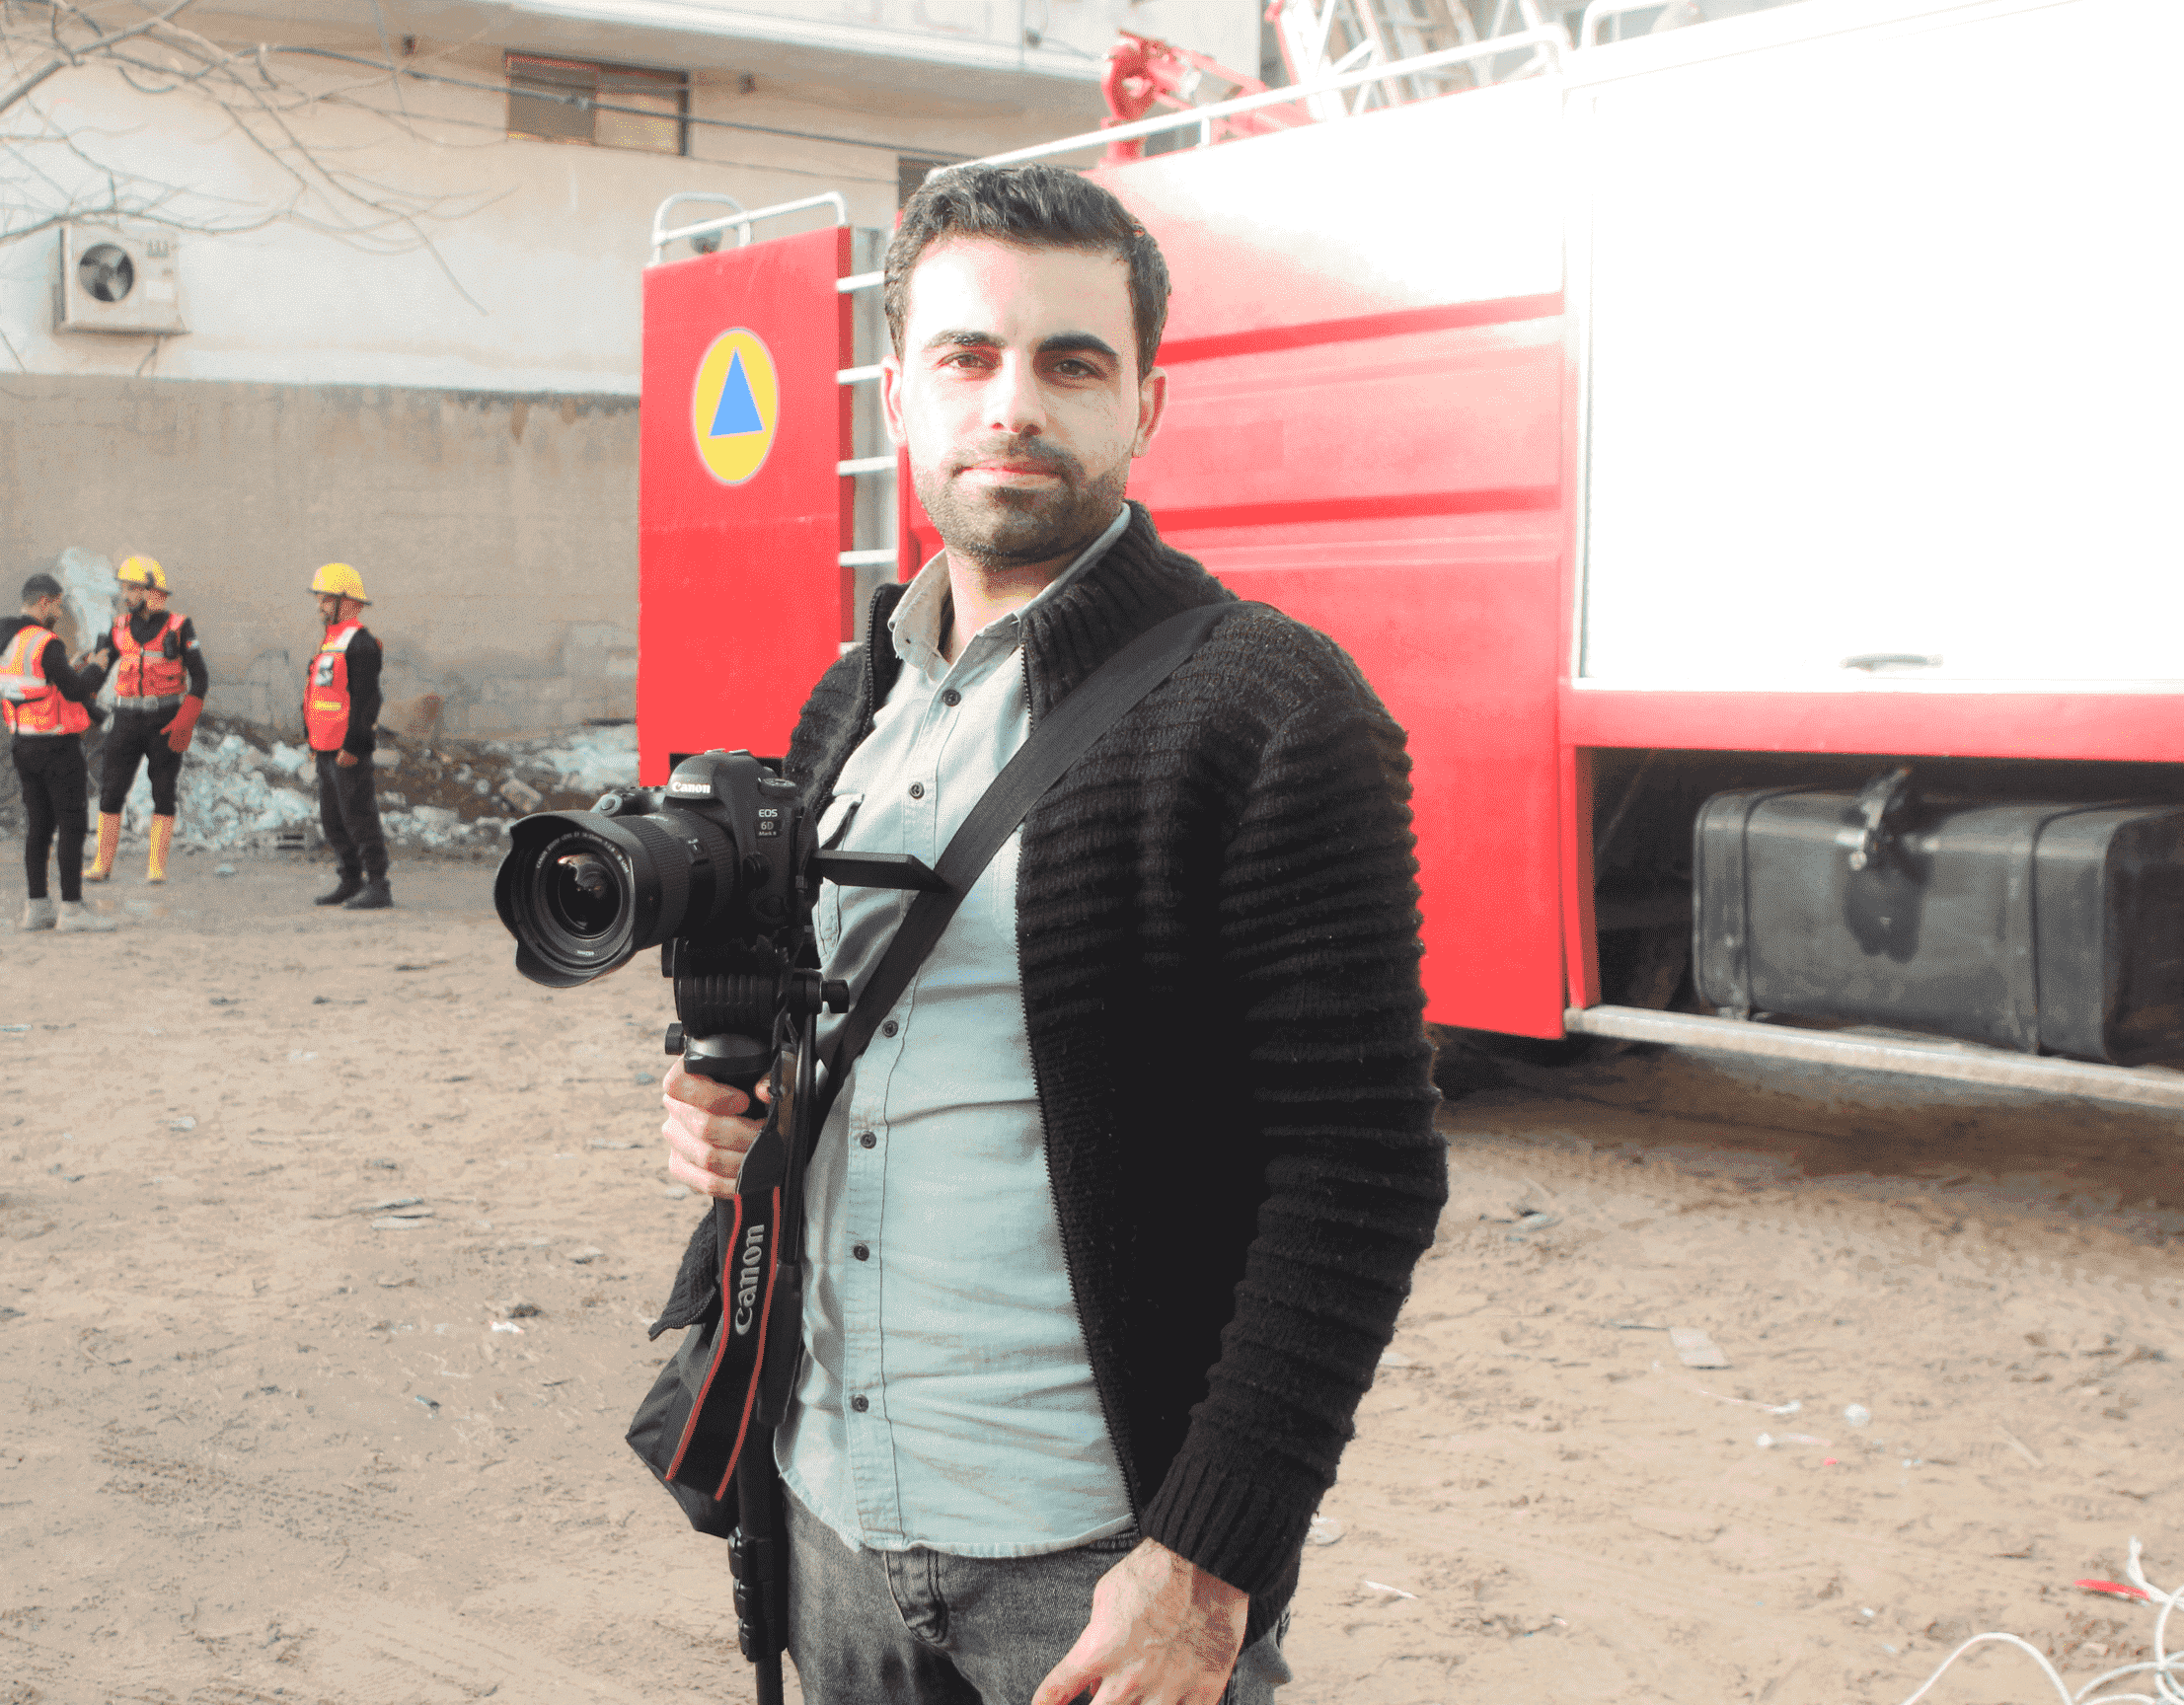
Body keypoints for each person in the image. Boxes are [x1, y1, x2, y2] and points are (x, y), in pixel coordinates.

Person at [658, 165, 1445, 1705]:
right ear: (899, 392)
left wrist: (1208, 1563)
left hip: (1086, 1562)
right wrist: (721, 1095)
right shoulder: (855, 696)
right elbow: (830, 1012)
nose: (1011, 403)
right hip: (825, 1504)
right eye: (966, 357)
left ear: (1147, 401)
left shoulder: (1270, 708)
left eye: (1071, 361)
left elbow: (1363, 1167)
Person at [3, 573, 117, 932]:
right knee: (71, 824)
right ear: (44, 602)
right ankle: (72, 910)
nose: (61, 609)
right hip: (57, 745)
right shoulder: (45, 642)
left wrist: (72, 664)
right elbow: (76, 691)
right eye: (58, 603)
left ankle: (37, 908)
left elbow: (38, 682)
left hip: (23, 743)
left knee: (39, 826)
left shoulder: (8, 639)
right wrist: (98, 666)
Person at [85, 555, 206, 885]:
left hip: (165, 718)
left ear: (152, 590)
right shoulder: (118, 627)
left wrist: (186, 719)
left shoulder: (180, 627)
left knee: (163, 791)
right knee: (111, 790)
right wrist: (83, 700)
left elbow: (201, 678)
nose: (126, 594)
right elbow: (98, 672)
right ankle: (102, 864)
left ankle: (156, 868)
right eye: (125, 587)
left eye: (133, 587)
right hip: (125, 718)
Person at [302, 561, 391, 910]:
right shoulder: (330, 642)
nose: (320, 606)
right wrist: (310, 739)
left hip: (346, 749)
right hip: (324, 747)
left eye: (325, 599)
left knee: (358, 815)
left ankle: (378, 884)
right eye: (320, 599)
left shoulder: (362, 643)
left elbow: (368, 700)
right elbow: (316, 694)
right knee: (333, 818)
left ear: (347, 602)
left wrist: (353, 745)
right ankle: (350, 880)